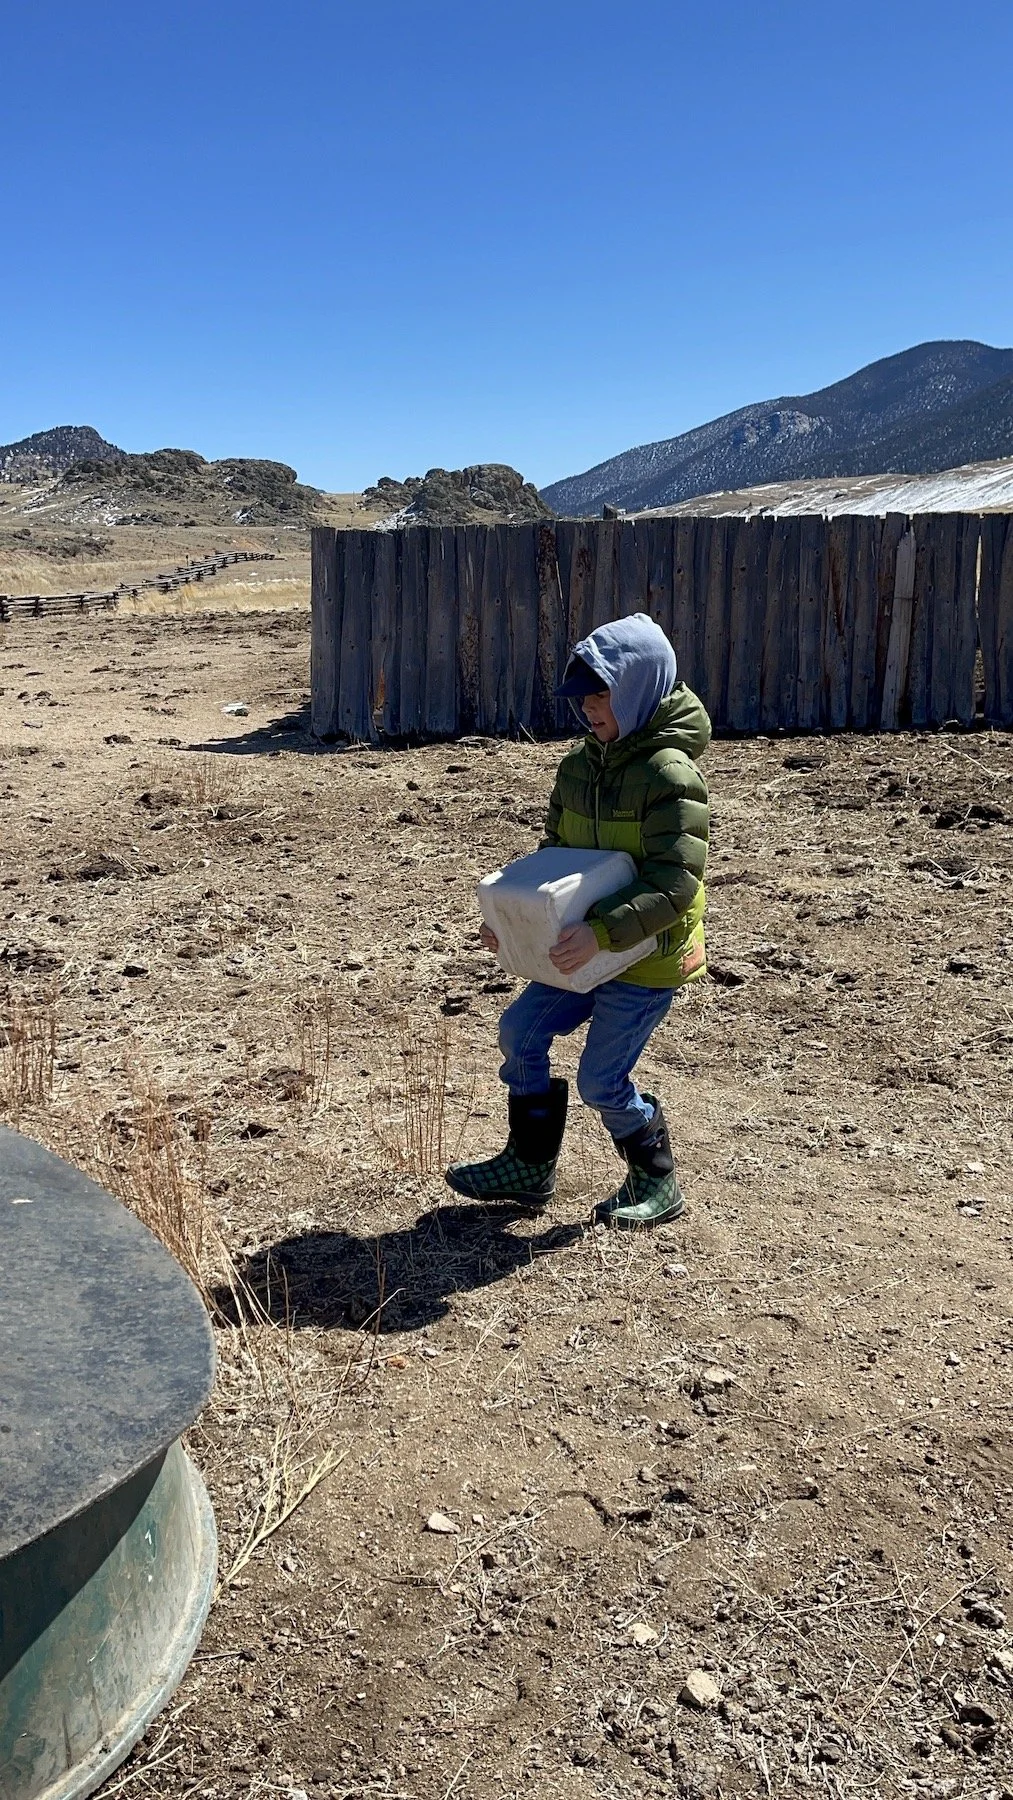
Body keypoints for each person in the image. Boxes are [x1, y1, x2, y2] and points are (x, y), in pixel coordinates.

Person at [446, 612, 710, 1229]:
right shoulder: (576, 768)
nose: (588, 707)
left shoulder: (670, 775)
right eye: (583, 695)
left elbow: (675, 883)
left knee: (601, 1080)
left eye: (602, 693)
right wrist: (513, 922)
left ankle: (656, 1177)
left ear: (639, 688)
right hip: (579, 947)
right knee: (520, 1033)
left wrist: (602, 932)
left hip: (645, 956)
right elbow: (552, 863)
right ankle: (529, 1165)